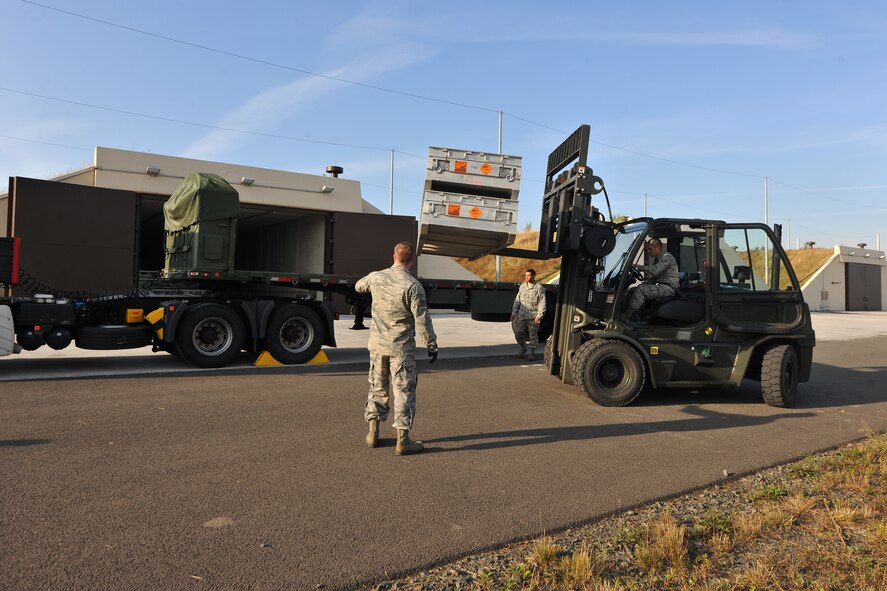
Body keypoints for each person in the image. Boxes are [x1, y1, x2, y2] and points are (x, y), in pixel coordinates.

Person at [355, 241, 438, 456]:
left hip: (377, 347)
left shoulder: (376, 277)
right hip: (401, 350)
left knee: (377, 388)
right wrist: (431, 343)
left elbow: (358, 286)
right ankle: (403, 441)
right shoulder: (413, 286)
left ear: (393, 256)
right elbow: (422, 319)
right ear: (412, 260)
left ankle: (373, 433)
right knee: (403, 392)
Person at [623, 238, 680, 320]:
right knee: (632, 290)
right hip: (662, 286)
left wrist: (638, 267)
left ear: (657, 247)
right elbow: (654, 278)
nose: (648, 252)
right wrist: (644, 283)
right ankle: (635, 316)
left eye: (650, 249)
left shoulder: (666, 257)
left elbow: (655, 271)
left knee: (641, 290)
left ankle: (628, 316)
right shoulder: (658, 259)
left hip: (669, 288)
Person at [511, 268, 546, 361]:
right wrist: (514, 312)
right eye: (526, 275)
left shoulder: (539, 288)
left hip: (533, 316)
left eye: (529, 275)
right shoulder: (522, 286)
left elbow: (542, 302)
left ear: (534, 276)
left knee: (532, 335)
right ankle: (523, 347)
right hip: (522, 315)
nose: (527, 277)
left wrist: (539, 315)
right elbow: (517, 300)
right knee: (518, 332)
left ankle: (531, 353)